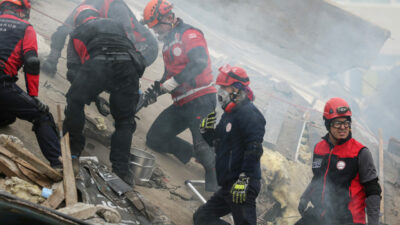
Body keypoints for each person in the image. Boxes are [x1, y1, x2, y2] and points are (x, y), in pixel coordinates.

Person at [63, 5, 145, 185]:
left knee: (74, 100)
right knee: (125, 121)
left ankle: (73, 149)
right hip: (128, 68)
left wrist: (90, 94)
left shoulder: (77, 33)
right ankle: (121, 172)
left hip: (99, 64)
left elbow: (73, 73)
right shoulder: (115, 24)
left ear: (78, 20)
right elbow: (131, 50)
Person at [142, 0, 218, 192]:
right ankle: (194, 154)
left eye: (157, 26)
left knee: (204, 147)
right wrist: (156, 92)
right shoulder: (168, 44)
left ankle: (214, 191)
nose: (156, 31)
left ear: (168, 17)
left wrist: (175, 81)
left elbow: (199, 62)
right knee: (154, 139)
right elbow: (169, 76)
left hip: (201, 100)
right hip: (182, 103)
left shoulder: (189, 34)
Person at [193, 65, 265, 225]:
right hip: (228, 184)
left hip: (242, 184)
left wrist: (244, 179)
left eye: (223, 87)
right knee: (202, 218)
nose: (220, 91)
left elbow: (254, 148)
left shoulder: (249, 113)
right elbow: (217, 143)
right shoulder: (229, 114)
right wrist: (206, 131)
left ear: (236, 89)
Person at [295, 97, 381, 225]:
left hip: (348, 220)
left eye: (346, 123)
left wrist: (373, 223)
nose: (343, 127)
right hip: (319, 214)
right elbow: (318, 178)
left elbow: (373, 190)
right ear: (328, 124)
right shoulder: (319, 148)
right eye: (338, 123)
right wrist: (305, 196)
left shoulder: (361, 153)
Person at [0, 0, 62, 169]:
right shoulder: (25, 27)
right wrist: (33, 96)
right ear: (21, 10)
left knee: (8, 116)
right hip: (2, 84)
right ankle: (59, 164)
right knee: (42, 115)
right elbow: (32, 62)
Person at [41, 0, 157, 77]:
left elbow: (128, 36)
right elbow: (63, 30)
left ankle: (134, 90)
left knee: (119, 70)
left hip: (146, 45)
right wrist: (52, 60)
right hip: (122, 39)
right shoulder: (87, 4)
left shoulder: (116, 5)